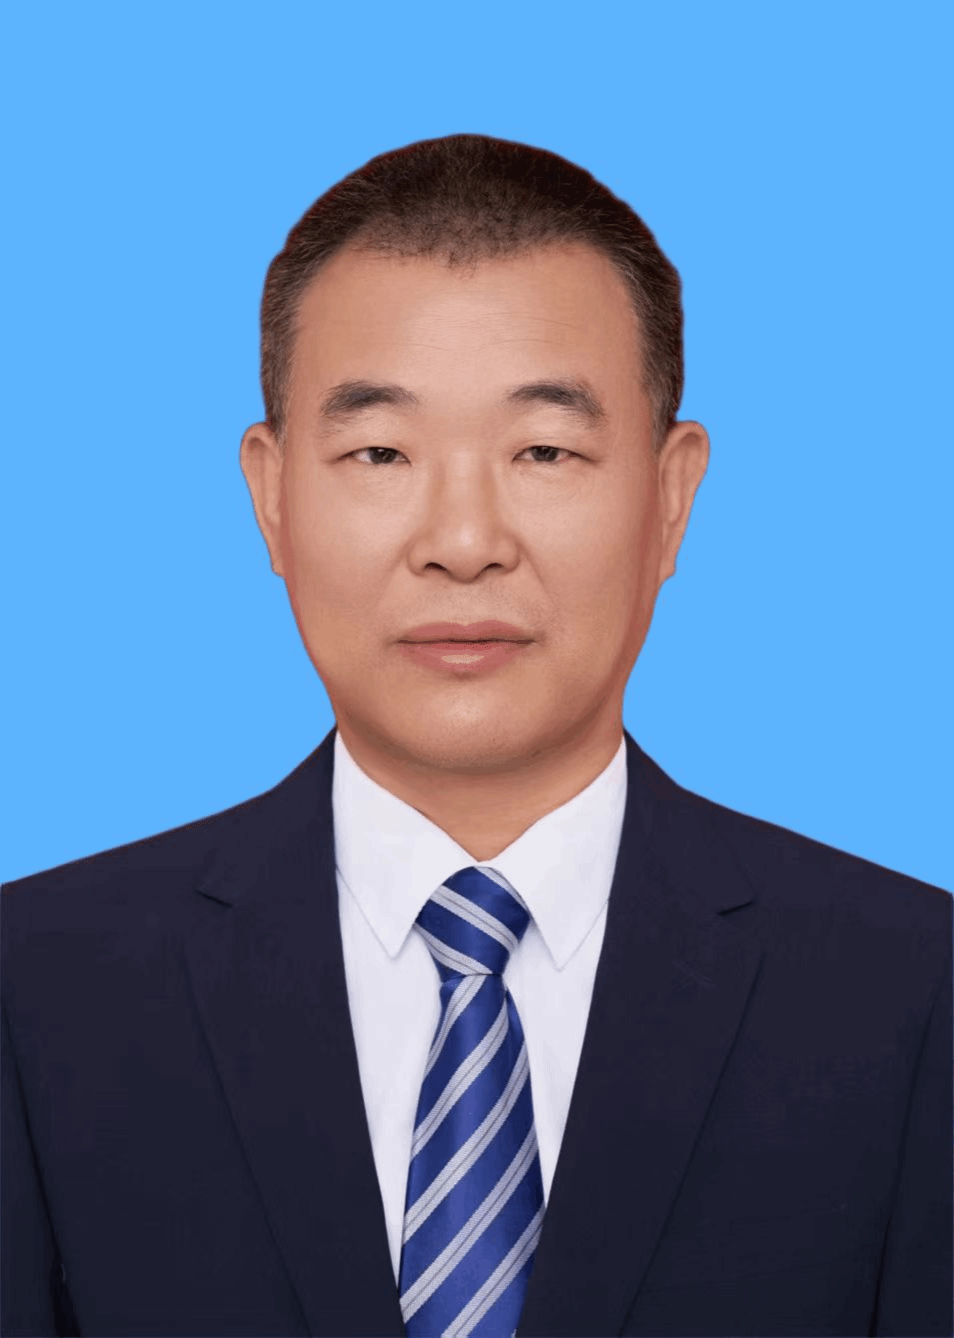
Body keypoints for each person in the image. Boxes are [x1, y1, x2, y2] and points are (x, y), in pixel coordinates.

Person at [2, 133, 950, 1338]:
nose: (463, 542)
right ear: (272, 494)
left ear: (671, 497)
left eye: (543, 451)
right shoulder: (37, 991)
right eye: (380, 452)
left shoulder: (916, 996)